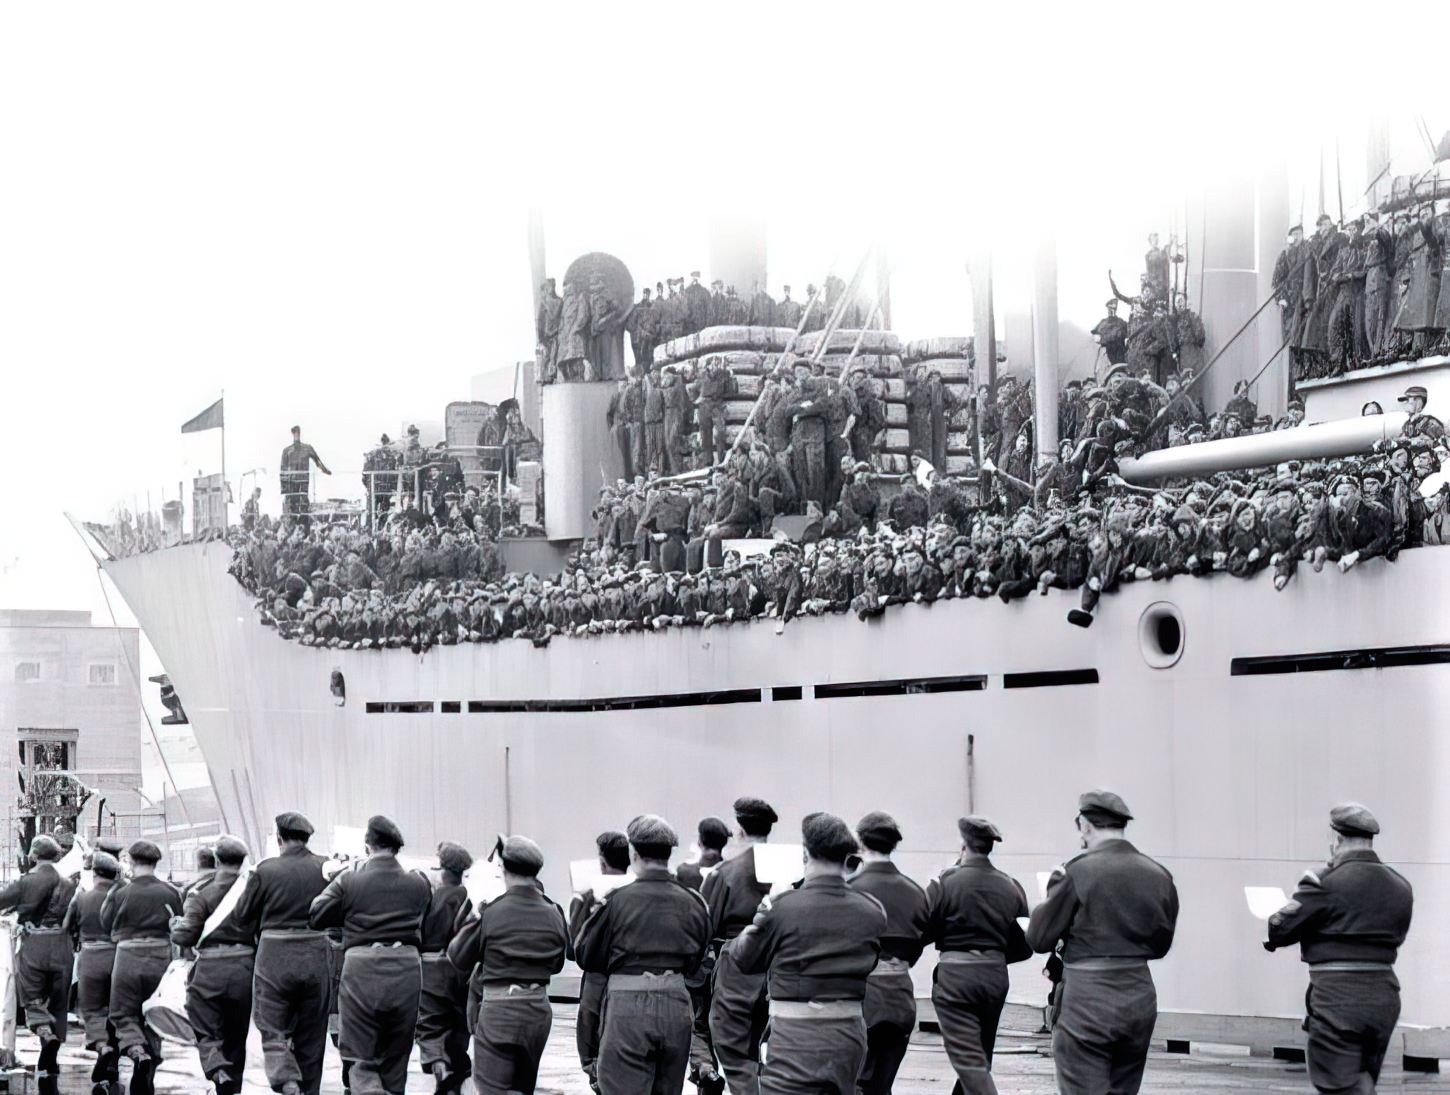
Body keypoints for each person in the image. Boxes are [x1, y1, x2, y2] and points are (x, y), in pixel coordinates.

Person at [1026, 791, 1178, 1095]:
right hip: (1139, 994)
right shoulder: (1159, 875)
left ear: (1085, 825)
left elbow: (1039, 939)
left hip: (1088, 995)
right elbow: (1161, 946)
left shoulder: (1076, 872)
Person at [731, 812, 887, 1094]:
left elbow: (744, 958)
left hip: (795, 1036)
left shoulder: (782, 907)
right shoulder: (873, 909)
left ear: (805, 853)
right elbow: (872, 961)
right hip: (849, 1032)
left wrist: (766, 909)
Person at [1266, 803, 1413, 1094]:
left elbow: (1281, 929)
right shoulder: (1401, 886)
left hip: (1337, 997)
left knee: (1337, 1085)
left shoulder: (1324, 882)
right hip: (1384, 996)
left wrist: (1279, 914)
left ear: (1337, 839)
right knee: (1362, 1081)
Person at [574, 814, 711, 1095]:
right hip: (676, 1003)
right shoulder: (694, 902)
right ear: (668, 854)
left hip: (627, 1006)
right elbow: (697, 961)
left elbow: (586, 954)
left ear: (633, 853)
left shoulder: (615, 900)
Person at [309, 814, 432, 1095]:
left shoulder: (349, 880)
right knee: (397, 1052)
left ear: (367, 845)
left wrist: (347, 913)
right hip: (407, 968)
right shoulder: (419, 883)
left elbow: (316, 914)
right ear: (397, 847)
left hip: (362, 968)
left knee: (361, 1052)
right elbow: (427, 921)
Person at [447, 836, 567, 1095]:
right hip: (538, 1009)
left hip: (500, 1010)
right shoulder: (554, 912)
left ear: (503, 869)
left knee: (492, 1088)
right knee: (523, 1088)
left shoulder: (492, 911)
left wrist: (475, 911)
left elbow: (458, 957)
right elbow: (557, 964)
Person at [926, 816, 1031, 1095]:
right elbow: (1025, 943)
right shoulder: (1011, 885)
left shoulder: (945, 882)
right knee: (981, 1054)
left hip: (956, 975)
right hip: (995, 973)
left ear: (964, 844)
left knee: (968, 1060)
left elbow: (923, 928)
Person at [230, 811, 331, 1095]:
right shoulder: (325, 867)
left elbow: (241, 916)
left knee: (271, 1023)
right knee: (313, 1033)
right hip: (316, 953)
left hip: (274, 955)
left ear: (279, 838)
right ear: (307, 838)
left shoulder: (264, 870)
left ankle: (285, 1077)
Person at [847, 812, 929, 1095]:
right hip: (901, 995)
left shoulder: (850, 889)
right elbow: (920, 941)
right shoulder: (916, 892)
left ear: (860, 841)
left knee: (855, 1083)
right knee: (883, 1085)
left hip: (861, 996)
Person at [703, 797, 778, 1094]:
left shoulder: (726, 872)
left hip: (737, 969)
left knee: (734, 1048)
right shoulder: (791, 872)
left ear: (739, 829)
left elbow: (706, 926)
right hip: (781, 967)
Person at [170, 835, 254, 1095]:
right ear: (242, 861)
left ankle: (216, 1067)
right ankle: (232, 1087)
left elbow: (185, 936)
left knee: (205, 1026)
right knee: (237, 1033)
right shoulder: (253, 893)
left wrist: (175, 927)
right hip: (244, 968)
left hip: (210, 969)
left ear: (217, 860)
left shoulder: (201, 895)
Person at [102, 839, 183, 1095]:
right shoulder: (172, 892)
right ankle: (150, 1063)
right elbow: (180, 924)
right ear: (156, 862)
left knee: (122, 1013)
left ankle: (138, 1052)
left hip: (128, 955)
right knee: (152, 1014)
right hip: (160, 957)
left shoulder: (121, 892)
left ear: (131, 861)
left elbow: (105, 922)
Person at [0, 834, 78, 1085]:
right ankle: (50, 1056)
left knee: (32, 996)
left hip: (35, 943)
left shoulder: (26, 882)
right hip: (62, 945)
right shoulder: (69, 883)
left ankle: (44, 1030)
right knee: (59, 1000)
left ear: (34, 855)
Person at [568, 831, 630, 1092]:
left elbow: (573, 949)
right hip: (633, 979)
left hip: (597, 978)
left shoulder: (590, 895)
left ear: (602, 862)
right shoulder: (638, 891)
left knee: (593, 1044)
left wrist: (577, 901)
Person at [417, 842, 475, 1094]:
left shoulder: (429, 896)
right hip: (459, 970)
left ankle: (440, 1066)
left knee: (430, 1024)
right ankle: (457, 1066)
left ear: (441, 867)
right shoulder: (467, 898)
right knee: (458, 1022)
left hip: (429, 970)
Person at [65, 848, 124, 1092]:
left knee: (91, 1009)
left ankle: (102, 1046)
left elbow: (67, 926)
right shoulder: (122, 896)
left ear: (95, 872)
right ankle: (114, 1062)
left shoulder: (81, 897)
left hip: (90, 956)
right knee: (116, 1010)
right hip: (118, 956)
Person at [279, 426, 331, 516]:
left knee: (303, 501)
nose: (297, 435)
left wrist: (325, 470)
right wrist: (284, 488)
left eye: (298, 433)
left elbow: (317, 461)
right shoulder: (287, 451)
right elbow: (283, 469)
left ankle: (303, 518)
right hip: (292, 481)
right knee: (292, 503)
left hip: (303, 479)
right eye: (295, 433)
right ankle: (294, 518)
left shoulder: (307, 448)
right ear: (293, 434)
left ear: (300, 433)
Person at [1091, 300, 1129, 365]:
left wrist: (1126, 341)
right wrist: (1101, 340)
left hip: (1120, 352)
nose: (1112, 312)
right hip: (1106, 355)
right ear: (1107, 310)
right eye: (1110, 309)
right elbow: (1095, 336)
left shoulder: (1121, 323)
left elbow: (1128, 335)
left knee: (1120, 366)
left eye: (1114, 310)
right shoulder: (1103, 323)